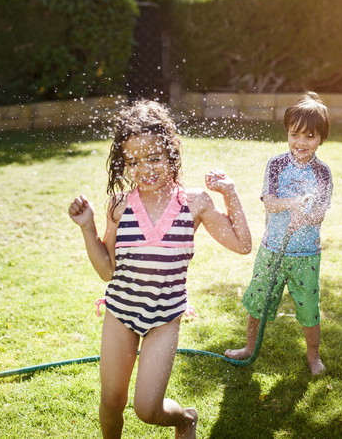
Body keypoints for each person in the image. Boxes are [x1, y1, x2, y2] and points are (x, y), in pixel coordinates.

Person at [69, 99, 252, 439]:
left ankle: (185, 419)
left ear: (171, 152)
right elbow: (107, 271)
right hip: (121, 312)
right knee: (111, 401)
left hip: (164, 318)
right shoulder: (120, 207)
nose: (145, 169)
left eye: (154, 157)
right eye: (134, 161)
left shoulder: (194, 202)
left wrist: (230, 192)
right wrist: (86, 227)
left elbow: (243, 244)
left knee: (147, 409)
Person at [224, 91, 332, 375]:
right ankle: (249, 347)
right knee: (258, 303)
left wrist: (305, 218)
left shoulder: (323, 173)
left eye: (310, 136)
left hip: (306, 254)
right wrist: (295, 204)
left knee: (309, 309)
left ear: (321, 138)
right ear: (287, 133)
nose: (301, 143)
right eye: (295, 134)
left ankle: (313, 356)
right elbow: (270, 204)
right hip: (272, 249)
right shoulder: (276, 165)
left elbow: (320, 213)